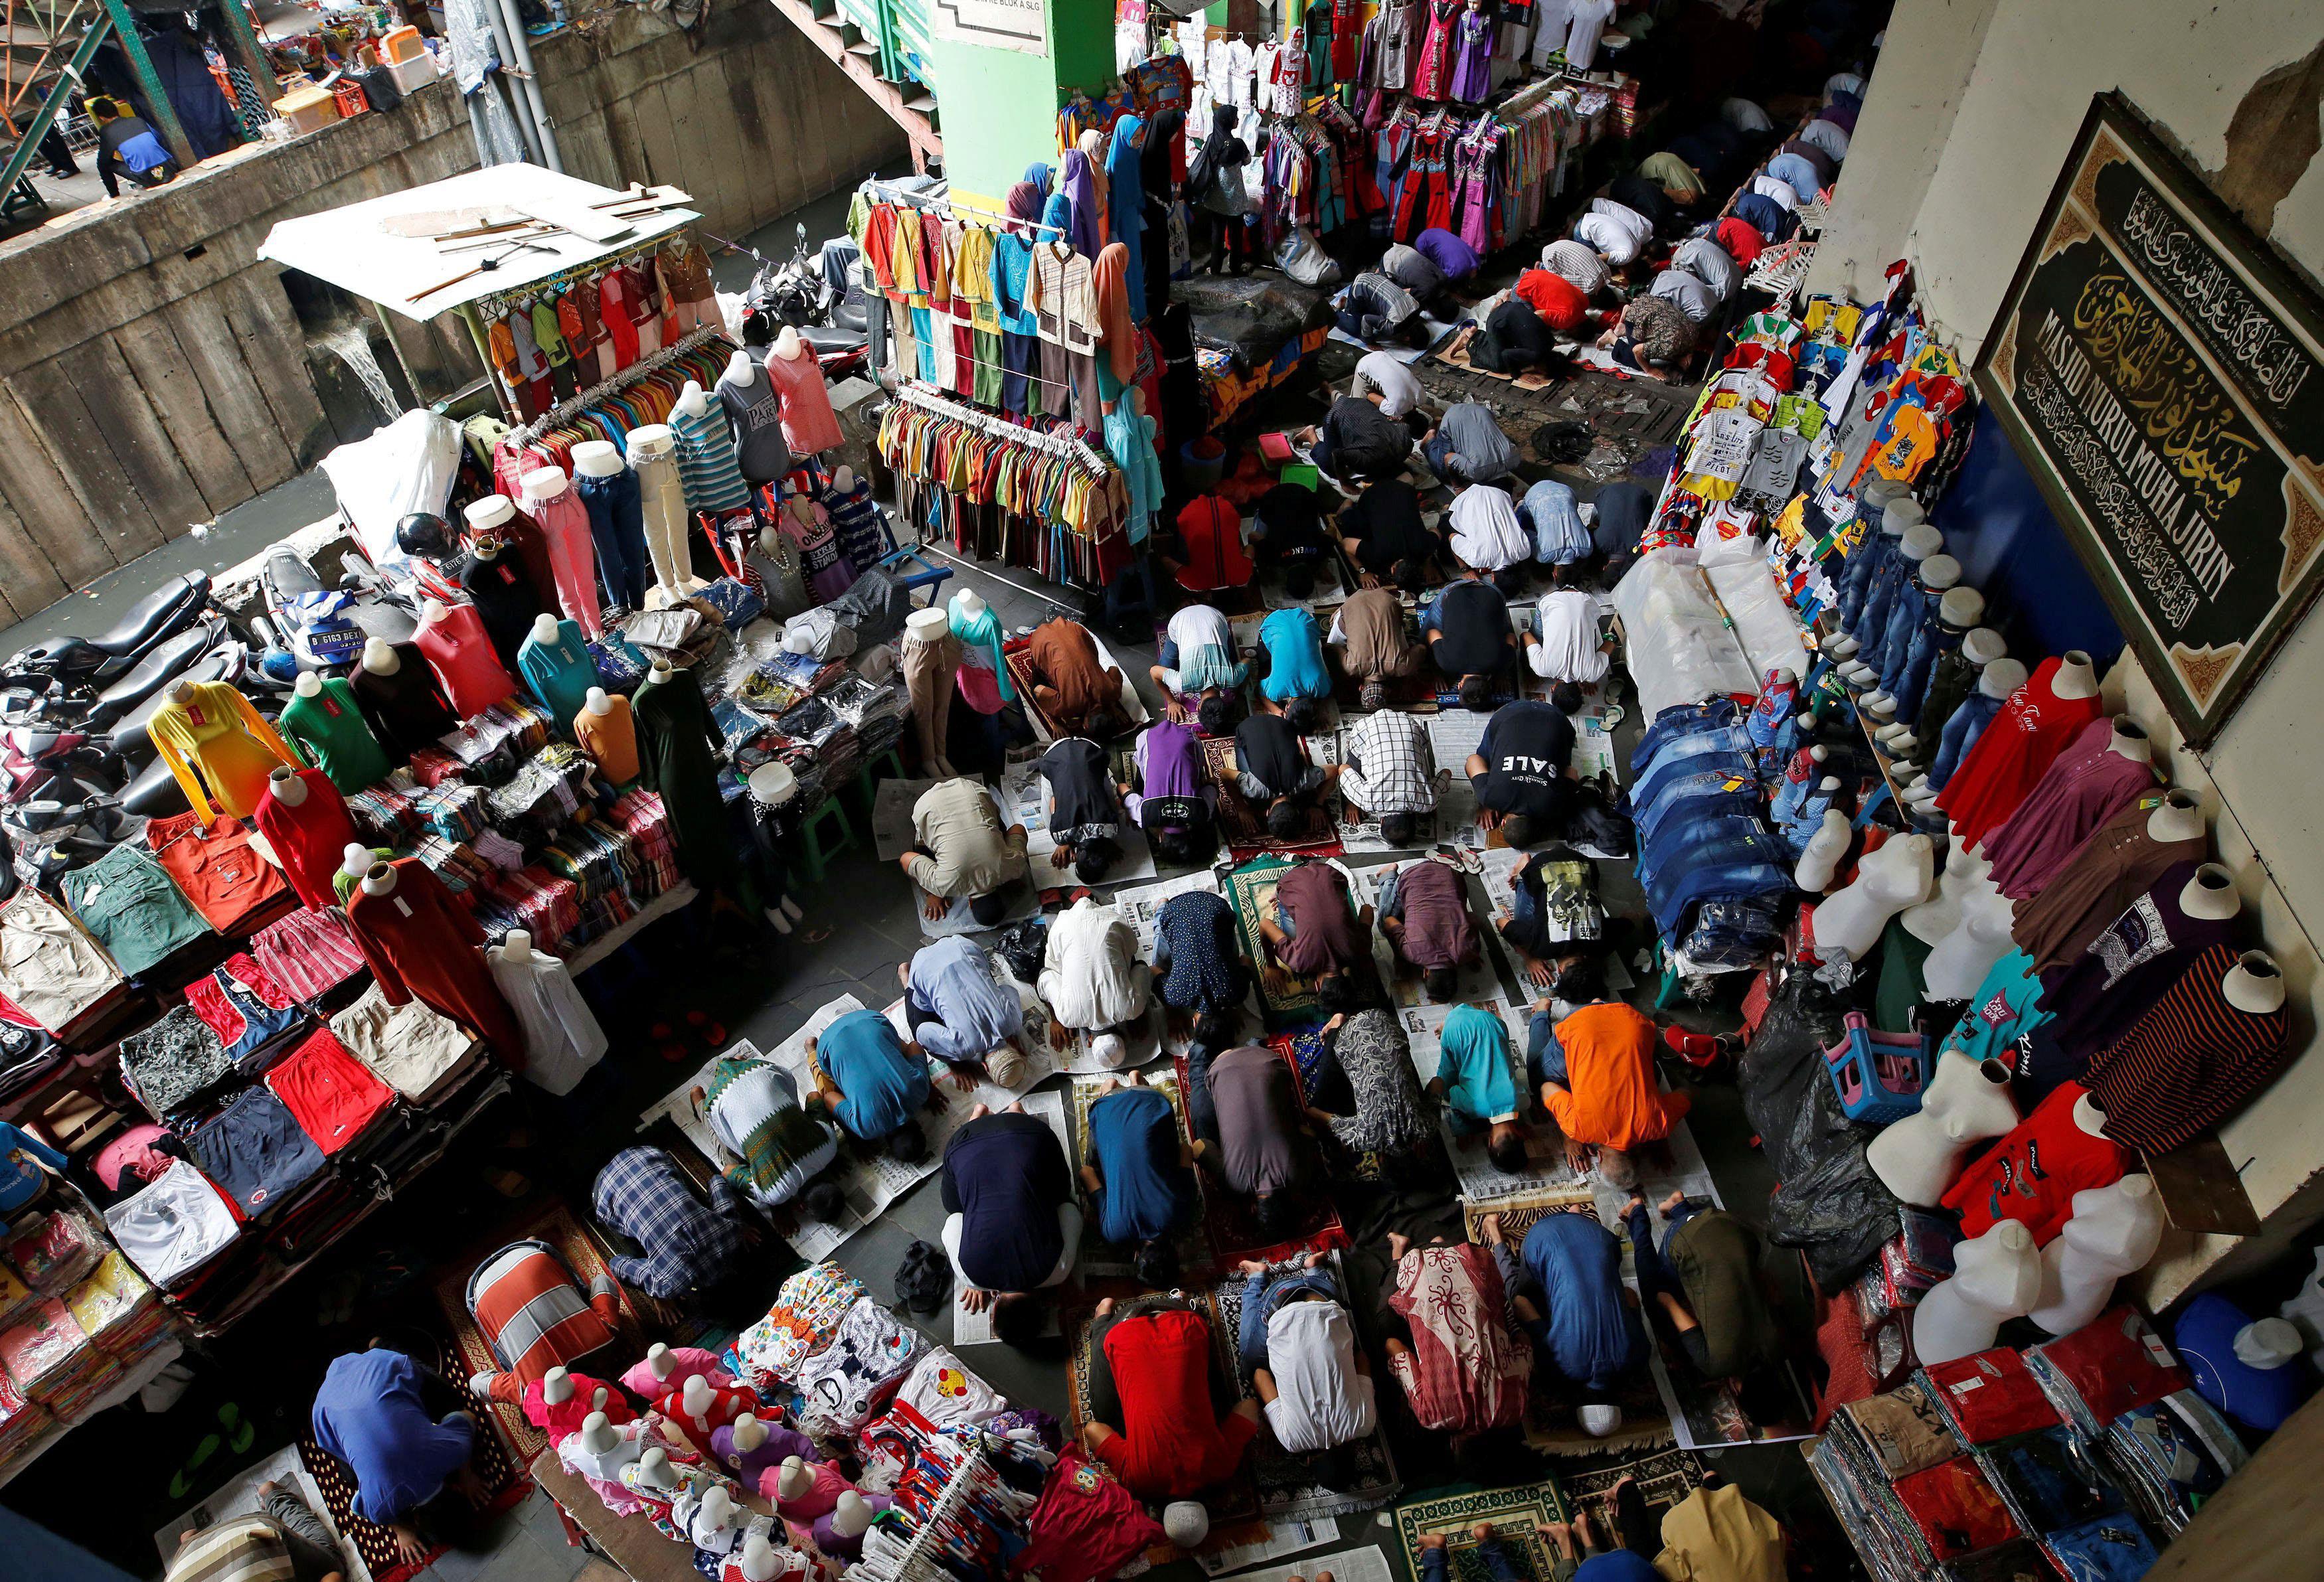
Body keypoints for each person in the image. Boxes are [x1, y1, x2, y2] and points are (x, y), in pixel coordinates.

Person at [311, 1344, 479, 1565]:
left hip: (374, 1370)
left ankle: (384, 1347)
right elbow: (360, 1508)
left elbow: (468, 1416)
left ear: (456, 1489)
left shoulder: (453, 1452)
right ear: (416, 1519)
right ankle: (383, 1343)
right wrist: (401, 1531)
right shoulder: (381, 1508)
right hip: (326, 1405)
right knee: (353, 1475)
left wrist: (466, 1472)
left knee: (450, 1402)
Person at [1080, 1293, 1262, 1498]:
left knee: (1218, 1405)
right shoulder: (1137, 1481)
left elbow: (1250, 1406)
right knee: (1104, 1415)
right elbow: (1092, 1429)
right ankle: (1102, 1316)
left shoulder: (1221, 1467)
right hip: (1122, 1324)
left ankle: (1180, 1298)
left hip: (1180, 1315)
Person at [1534, 961, 1689, 1184]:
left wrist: (1661, 1134)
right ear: (1600, 1155)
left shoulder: (1658, 1125)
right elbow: (1546, 1088)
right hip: (1580, 1023)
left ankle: (1596, 1003)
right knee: (1536, 1075)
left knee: (1650, 1075)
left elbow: (1686, 1093)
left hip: (1635, 1021)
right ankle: (1541, 1015)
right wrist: (1569, 1134)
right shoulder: (1580, 1128)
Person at [940, 1101, 1080, 1345]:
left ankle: (1017, 1112)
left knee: (1059, 1193)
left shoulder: (1057, 1272)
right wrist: (974, 1279)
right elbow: (954, 1222)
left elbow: (1070, 1211)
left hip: (1029, 1132)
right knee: (954, 1206)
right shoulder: (971, 1275)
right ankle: (978, 1117)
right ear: (995, 1311)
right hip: (965, 1141)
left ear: (1041, 1305)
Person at [1378, 1231, 1531, 1437]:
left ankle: (1439, 1244)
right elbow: (1394, 1347)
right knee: (1384, 1324)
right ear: (1455, 1445)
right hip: (1417, 1264)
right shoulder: (1432, 1416)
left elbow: (1524, 1342)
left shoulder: (1516, 1407)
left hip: (1474, 1258)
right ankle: (1398, 1252)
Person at [1625, 1191, 1782, 1391]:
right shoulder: (1717, 1365)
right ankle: (1636, 1213)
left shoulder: (1777, 1346)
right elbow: (1671, 1306)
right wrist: (1661, 1300)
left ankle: (1679, 1206)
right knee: (1653, 1296)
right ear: (1736, 1387)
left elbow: (1770, 1286)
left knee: (1711, 1246)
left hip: (1735, 1228)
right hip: (1684, 1237)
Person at [1236, 1253, 1377, 1459]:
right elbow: (1260, 1375)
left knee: (1338, 1331)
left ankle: (1315, 1269)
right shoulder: (1292, 1440)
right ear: (1310, 1460)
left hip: (1325, 1293)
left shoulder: (1364, 1425)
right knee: (1248, 1364)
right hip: (1279, 1299)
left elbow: (1362, 1358)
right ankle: (1256, 1278)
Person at [1498, 1209, 1645, 1404]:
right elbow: (1521, 1304)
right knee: (1518, 1294)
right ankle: (1495, 1235)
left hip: (1598, 1234)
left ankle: (1575, 1214)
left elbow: (1629, 1293)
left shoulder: (1637, 1356)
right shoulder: (1558, 1367)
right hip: (1543, 1236)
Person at [1189, 1034, 1320, 1238]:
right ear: (1254, 1208)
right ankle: (1198, 1050)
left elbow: (1307, 1132)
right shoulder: (1235, 1183)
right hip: (1222, 1067)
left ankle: (1253, 1044)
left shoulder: (1300, 1175)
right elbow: (1199, 1146)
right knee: (1202, 1119)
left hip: (1268, 1062)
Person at [692, 1051, 843, 1218]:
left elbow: (813, 1096)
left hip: (757, 1070)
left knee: (791, 1115)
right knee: (732, 1159)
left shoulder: (829, 1147)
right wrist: (776, 1204)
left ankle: (739, 1063)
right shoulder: (772, 1193)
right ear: (800, 1206)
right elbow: (728, 1172)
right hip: (718, 1097)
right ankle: (698, 1097)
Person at [594, 1145, 756, 1301]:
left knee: (681, 1193)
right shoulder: (666, 1285)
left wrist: (739, 1225)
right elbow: (616, 1264)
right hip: (604, 1190)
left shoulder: (731, 1234)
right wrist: (654, 1290)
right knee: (639, 1246)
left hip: (644, 1155)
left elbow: (717, 1182)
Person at [1082, 1069, 1199, 1284]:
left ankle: (1136, 1082)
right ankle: (1109, 1089)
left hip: (1154, 1101)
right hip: (1107, 1107)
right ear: (1136, 1255)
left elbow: (1185, 1150)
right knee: (1094, 1159)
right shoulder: (1114, 1231)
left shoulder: (1182, 1215)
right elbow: (1086, 1173)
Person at [1309, 1008, 1436, 1172]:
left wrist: (1424, 1129)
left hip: (1387, 1023)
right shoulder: (1365, 1138)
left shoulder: (1426, 1127)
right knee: (1322, 1103)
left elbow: (1436, 1082)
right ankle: (1337, 1025)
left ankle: (1341, 1024)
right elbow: (1312, 1112)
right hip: (1352, 1033)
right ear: (1380, 1160)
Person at [900, 776, 1031, 924]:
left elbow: (1018, 828)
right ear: (970, 903)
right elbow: (906, 859)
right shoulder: (943, 884)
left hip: (969, 790)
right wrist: (933, 891)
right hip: (928, 805)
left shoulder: (1014, 867)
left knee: (997, 830)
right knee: (924, 851)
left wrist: (1010, 873)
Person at [900, 937, 1030, 1086]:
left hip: (961, 945)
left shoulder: (1013, 1022)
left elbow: (1008, 989)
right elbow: (923, 1033)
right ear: (985, 1067)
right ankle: (906, 978)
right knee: (918, 1026)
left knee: (986, 986)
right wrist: (953, 1062)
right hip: (921, 966)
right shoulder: (962, 1049)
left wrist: (1009, 1027)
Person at [807, 1006, 932, 1160]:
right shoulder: (864, 1127)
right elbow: (829, 1097)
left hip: (868, 1018)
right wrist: (853, 1135)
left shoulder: (920, 1091)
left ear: (918, 1126)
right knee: (828, 1091)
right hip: (828, 1041)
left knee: (897, 1051)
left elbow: (915, 1046)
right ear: (887, 1141)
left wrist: (928, 1085)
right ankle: (811, 1050)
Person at [1038, 896, 1151, 1060]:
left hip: (1105, 921)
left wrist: (1138, 1011)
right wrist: (1057, 1019)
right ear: (1091, 1040)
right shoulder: (1067, 1016)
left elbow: (1141, 967)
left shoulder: (1132, 1008)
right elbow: (1044, 975)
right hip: (1071, 925)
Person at [167, 1483, 345, 1582]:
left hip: (256, 1534)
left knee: (332, 1564)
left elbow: (333, 1577)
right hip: (185, 1562)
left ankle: (272, 1494)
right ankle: (191, 1540)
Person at [1258, 857, 1373, 1006]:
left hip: (1330, 874)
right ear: (1317, 986)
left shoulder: (1361, 949)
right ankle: (1283, 893)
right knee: (1294, 933)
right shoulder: (1300, 961)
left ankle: (1293, 887)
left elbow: (1367, 909)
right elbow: (1264, 924)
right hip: (1291, 879)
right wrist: (1272, 966)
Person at [1467, 695, 1579, 846]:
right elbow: (1473, 760)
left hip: (1558, 719)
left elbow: (1572, 772)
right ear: (1504, 823)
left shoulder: (1556, 805)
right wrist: (1485, 799)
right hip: (1509, 714)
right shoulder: (1491, 797)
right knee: (1484, 760)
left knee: (1562, 764)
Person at [1430, 1002, 1527, 1172]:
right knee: (1446, 1089)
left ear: (1521, 1135)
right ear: (1489, 1142)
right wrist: (1462, 1129)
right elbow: (1454, 1093)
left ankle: (1457, 1020)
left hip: (1494, 1023)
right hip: (1458, 1029)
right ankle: (1449, 1025)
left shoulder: (1524, 1101)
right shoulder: (1476, 1108)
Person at [1234, 696, 1339, 840]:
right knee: (1246, 776)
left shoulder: (1303, 781)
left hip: (1280, 724)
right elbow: (1225, 774)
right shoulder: (1253, 788)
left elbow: (1333, 769)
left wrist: (1318, 804)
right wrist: (1241, 808)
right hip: (1253, 726)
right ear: (1267, 812)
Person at [1376, 855, 1474, 1000]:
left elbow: (1471, 919)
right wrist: (1400, 954)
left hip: (1451, 875)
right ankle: (1388, 876)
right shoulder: (1412, 953)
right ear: (1426, 973)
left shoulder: (1468, 952)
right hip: (1412, 876)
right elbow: (1390, 921)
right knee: (1383, 923)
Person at [1128, 716, 1219, 868]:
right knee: (1142, 784)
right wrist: (1128, 809)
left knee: (1199, 777)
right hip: (1147, 738)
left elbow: (1213, 783)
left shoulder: (1202, 814)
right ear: (1161, 837)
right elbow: (1123, 788)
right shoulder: (1145, 816)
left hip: (1186, 736)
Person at [1037, 733, 1127, 884]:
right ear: (1077, 856)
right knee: (1048, 819)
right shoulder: (1060, 833)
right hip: (1057, 756)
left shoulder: (1111, 829)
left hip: (1091, 750)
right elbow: (1054, 801)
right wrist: (1063, 842)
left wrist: (1065, 842)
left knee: (1104, 791)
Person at [1339, 708, 1438, 844]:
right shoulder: (1367, 801)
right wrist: (1353, 801)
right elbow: (1344, 769)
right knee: (1355, 766)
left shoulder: (1428, 803)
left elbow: (1446, 773)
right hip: (1368, 726)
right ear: (1382, 820)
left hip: (1409, 723)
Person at [1424, 570, 1517, 712]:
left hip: (1493, 592)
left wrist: (1502, 672)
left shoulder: (1502, 663)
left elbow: (1511, 637)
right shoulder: (1446, 662)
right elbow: (1432, 633)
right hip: (1453, 591)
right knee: (1426, 630)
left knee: (1502, 627)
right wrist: (1437, 671)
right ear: (1460, 685)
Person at [1153, 890, 1252, 1017]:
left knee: (1230, 957)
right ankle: (1162, 906)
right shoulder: (1175, 995)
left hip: (1216, 906)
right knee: (1158, 964)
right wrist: (1171, 1010)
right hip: (1176, 910)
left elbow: (1245, 959)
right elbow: (1153, 970)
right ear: (1194, 1023)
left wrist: (1233, 1000)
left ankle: (1162, 907)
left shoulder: (1237, 994)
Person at [1024, 616, 1126, 738]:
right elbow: (1037, 690)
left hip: (1073, 629)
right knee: (1035, 685)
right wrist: (1057, 723)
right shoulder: (1066, 708)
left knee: (1089, 657)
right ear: (1085, 726)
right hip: (1041, 639)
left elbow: (1114, 670)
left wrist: (1112, 702)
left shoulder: (1112, 692)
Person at [1327, 585, 1424, 708]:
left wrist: (1409, 673)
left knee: (1399, 641)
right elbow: (1330, 648)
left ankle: (1345, 610)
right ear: (1361, 688)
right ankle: (1343, 610)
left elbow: (1421, 648)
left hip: (1387, 601)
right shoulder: (1351, 667)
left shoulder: (1402, 666)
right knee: (1333, 648)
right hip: (1357, 601)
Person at [1336, 477, 1440, 589]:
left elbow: (1435, 531)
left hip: (1405, 489)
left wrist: (1428, 563)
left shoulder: (1424, 548)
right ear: (1393, 569)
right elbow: (1345, 544)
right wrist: (1362, 571)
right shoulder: (1378, 553)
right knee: (1350, 530)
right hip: (1372, 495)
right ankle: (1347, 505)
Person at [1151, 601, 1248, 717]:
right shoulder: (1182, 683)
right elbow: (1154, 671)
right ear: (1198, 707)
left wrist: (1239, 693)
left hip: (1214, 615)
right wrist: (1171, 702)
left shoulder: (1233, 678)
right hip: (1182, 618)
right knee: (1164, 667)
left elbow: (1247, 660)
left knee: (1231, 658)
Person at [1303, 387, 1414, 481]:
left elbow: (1403, 426)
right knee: (1331, 467)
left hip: (1361, 404)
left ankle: (1329, 389)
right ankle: (1311, 435)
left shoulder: (1406, 446)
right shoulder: (1366, 460)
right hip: (1335, 418)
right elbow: (1337, 455)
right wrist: (1345, 483)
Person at [1256, 605, 1332, 730]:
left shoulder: (1321, 687)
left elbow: (1326, 694)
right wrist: (1275, 710)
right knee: (1264, 667)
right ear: (1286, 708)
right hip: (1274, 622)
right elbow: (1258, 692)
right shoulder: (1276, 691)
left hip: (1305, 619)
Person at [1248, 483, 1332, 595]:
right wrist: (1263, 571)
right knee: (1260, 533)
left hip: (1305, 495)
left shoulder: (1320, 554)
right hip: (1273, 499)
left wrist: (1323, 566)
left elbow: (1331, 530)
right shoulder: (1273, 556)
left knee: (1315, 526)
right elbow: (1253, 536)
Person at [89, 96, 178, 198]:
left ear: (101, 118)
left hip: (147, 178)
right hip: (170, 169)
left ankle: (114, 195)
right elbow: (159, 139)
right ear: (116, 109)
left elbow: (103, 161)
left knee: (105, 165)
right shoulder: (138, 121)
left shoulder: (107, 131)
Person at [1444, 483, 1531, 583]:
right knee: (1446, 554)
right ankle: (1445, 512)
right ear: (1493, 578)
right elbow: (1452, 537)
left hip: (1498, 493)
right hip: (1465, 500)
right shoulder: (1477, 559)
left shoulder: (1525, 551)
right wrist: (1466, 569)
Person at [1526, 589, 1615, 684]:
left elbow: (1611, 640)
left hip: (1586, 600)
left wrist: (1590, 679)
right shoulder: (1542, 668)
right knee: (1537, 637)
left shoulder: (1593, 673)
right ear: (1553, 689)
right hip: (1551, 599)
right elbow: (1526, 635)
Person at [1599, 294, 1694, 380]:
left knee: (1657, 342)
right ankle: (1611, 338)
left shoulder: (1693, 333)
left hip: (1646, 302)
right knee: (1639, 362)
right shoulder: (1670, 346)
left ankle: (1625, 324)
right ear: (1687, 362)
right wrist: (1649, 370)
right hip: (1636, 317)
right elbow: (1637, 350)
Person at [1423, 401, 1519, 485]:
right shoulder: (1476, 471)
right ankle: (1430, 440)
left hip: (1480, 412)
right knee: (1442, 471)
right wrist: (1457, 487)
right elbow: (1448, 457)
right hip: (1452, 418)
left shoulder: (1515, 459)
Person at [1174, 495, 1253, 593]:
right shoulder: (1194, 583)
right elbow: (1167, 561)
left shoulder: (1243, 577)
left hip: (1225, 509)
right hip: (1190, 512)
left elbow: (1250, 548)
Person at [1473, 294, 1566, 376]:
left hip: (1514, 308)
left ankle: (1500, 306)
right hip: (1496, 321)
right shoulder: (1534, 355)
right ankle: (1472, 340)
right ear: (1544, 369)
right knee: (1499, 365)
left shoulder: (1550, 343)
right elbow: (1506, 355)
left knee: (1516, 352)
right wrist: (1518, 375)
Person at [1340, 272, 1428, 347]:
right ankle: (1335, 312)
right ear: (1407, 339)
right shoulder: (1394, 327)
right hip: (1360, 287)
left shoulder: (1417, 308)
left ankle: (1349, 303)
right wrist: (1369, 342)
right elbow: (1366, 319)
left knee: (1379, 317)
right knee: (1358, 329)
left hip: (1373, 278)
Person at [1351, 349, 1428, 420]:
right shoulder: (1395, 409)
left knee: (1387, 393)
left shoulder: (1422, 398)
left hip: (1382, 356)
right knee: (1357, 405)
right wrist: (1388, 410)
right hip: (1365, 365)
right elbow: (1371, 395)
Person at [1513, 268, 1590, 335]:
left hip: (1535, 273)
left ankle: (1524, 273)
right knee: (1528, 322)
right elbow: (1537, 315)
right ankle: (1504, 302)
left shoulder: (1585, 303)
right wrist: (1547, 337)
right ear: (1575, 331)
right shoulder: (1567, 320)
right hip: (1521, 286)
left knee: (1549, 321)